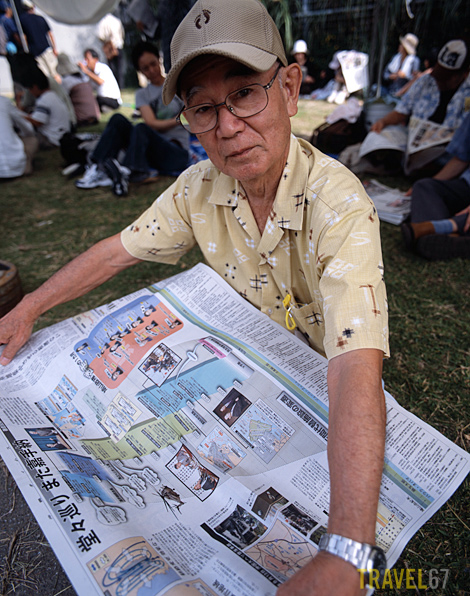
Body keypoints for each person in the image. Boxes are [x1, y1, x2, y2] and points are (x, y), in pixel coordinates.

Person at [0, 2, 389, 594]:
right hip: (248, 371)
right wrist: (27, 309)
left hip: (318, 379)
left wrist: (347, 552)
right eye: (204, 107)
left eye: (245, 94)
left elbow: (356, 364)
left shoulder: (339, 203)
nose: (228, 126)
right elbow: (116, 251)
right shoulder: (200, 187)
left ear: (288, 88)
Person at [75, 41, 189, 197]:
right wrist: (178, 119)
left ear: (159, 60)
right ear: (140, 71)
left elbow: (192, 115)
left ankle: (129, 170)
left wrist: (183, 120)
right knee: (118, 119)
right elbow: (152, 123)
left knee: (141, 128)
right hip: (152, 152)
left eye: (153, 64)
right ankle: (98, 166)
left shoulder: (178, 83)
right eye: (145, 68)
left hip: (175, 153)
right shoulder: (142, 94)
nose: (152, 71)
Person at [366, 39, 470, 176]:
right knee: (379, 136)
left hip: (445, 152)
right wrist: (383, 122)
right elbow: (401, 111)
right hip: (413, 143)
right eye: (439, 75)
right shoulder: (425, 82)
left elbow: (463, 146)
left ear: (465, 73)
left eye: (447, 78)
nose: (440, 81)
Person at [401, 111, 470, 260]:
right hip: (466, 186)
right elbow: (461, 157)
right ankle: (452, 237)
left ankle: (438, 230)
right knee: (425, 186)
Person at [19, 66, 71, 148]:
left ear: (35, 87)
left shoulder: (44, 100)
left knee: (24, 138)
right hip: (61, 135)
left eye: (30, 89)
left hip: (52, 139)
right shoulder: (52, 96)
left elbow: (37, 122)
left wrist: (19, 116)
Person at [19, 0, 60, 82]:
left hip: (35, 52)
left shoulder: (22, 20)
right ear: (33, 7)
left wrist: (27, 52)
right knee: (55, 73)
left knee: (46, 77)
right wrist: (54, 48)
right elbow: (50, 34)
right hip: (47, 49)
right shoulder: (40, 18)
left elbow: (24, 38)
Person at [56, 53, 100, 127]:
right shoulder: (83, 78)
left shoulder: (66, 81)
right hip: (95, 116)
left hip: (81, 119)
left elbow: (62, 99)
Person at [0, 92, 38, 177]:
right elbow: (26, 127)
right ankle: (25, 165)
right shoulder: (3, 101)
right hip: (15, 165)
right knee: (32, 140)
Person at [78, 48, 122, 113]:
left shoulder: (103, 68)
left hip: (113, 100)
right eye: (85, 59)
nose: (86, 61)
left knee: (96, 100)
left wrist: (86, 71)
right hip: (102, 99)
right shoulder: (90, 72)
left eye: (87, 59)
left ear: (95, 60)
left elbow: (100, 81)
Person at [97, 12, 125, 88]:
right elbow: (122, 33)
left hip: (109, 47)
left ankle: (114, 86)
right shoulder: (117, 21)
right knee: (120, 67)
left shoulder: (103, 22)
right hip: (118, 46)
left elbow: (101, 36)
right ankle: (121, 86)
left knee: (112, 68)